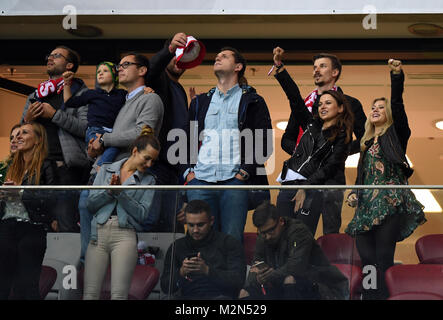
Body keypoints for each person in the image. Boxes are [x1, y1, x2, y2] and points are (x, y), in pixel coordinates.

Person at [345, 59, 426, 300]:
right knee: (367, 259)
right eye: (373, 107)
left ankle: (382, 297)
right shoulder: (365, 143)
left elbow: (398, 106)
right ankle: (371, 296)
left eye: (381, 107)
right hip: (366, 207)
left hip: (389, 203)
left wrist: (396, 75)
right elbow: (363, 174)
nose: (376, 109)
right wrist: (353, 192)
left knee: (382, 258)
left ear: (388, 113)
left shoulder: (396, 134)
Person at [78, 52, 164, 265]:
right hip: (108, 169)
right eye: (118, 65)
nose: (119, 69)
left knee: (119, 226)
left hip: (126, 174)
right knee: (86, 207)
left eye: (126, 64)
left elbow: (143, 134)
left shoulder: (150, 98)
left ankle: (91, 266)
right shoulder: (124, 101)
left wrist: (105, 139)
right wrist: (96, 148)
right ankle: (91, 266)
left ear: (142, 71)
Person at [182, 47, 273, 242]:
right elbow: (186, 140)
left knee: (231, 240)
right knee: (199, 240)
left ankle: (232, 275)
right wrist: (189, 173)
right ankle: (199, 274)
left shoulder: (253, 101)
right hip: (200, 181)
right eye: (217, 56)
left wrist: (244, 173)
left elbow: (264, 142)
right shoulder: (200, 102)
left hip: (235, 181)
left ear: (238, 67)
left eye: (224, 56)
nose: (218, 57)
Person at [273, 47, 367, 235]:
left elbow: (366, 140)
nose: (316, 70)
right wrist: (308, 153)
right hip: (298, 177)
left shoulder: (350, 104)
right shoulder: (307, 106)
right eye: (314, 66)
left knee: (330, 233)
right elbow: (288, 135)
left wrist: (336, 152)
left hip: (330, 180)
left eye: (322, 66)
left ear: (335, 72)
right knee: (291, 232)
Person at [83, 126, 161, 300]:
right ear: (134, 151)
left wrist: (121, 194)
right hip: (98, 233)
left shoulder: (149, 180)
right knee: (89, 294)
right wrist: (109, 192)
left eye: (153, 161)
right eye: (147, 158)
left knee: (119, 295)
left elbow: (142, 214)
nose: (149, 165)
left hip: (125, 235)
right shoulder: (106, 169)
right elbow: (90, 204)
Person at [21, 45, 90, 232]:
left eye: (56, 56)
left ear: (69, 66)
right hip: (37, 166)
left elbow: (85, 129)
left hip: (65, 168)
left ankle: (69, 262)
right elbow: (20, 132)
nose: (50, 59)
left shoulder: (82, 94)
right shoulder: (35, 95)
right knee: (35, 223)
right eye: (49, 55)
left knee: (66, 222)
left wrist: (54, 115)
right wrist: (27, 121)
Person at [239, 202, 349, 300]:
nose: (267, 236)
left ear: (281, 221)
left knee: (290, 279)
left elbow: (295, 267)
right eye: (263, 233)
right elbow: (256, 266)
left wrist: (267, 276)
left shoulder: (298, 232)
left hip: (322, 286)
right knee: (245, 292)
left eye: (271, 231)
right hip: (282, 283)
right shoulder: (263, 236)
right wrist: (256, 279)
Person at [0, 122, 58, 299]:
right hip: (6, 227)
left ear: (38, 140)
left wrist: (21, 193)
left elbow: (52, 198)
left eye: (24, 133)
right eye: (17, 134)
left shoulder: (47, 165)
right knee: (2, 284)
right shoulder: (11, 167)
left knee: (26, 285)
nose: (18, 137)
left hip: (32, 228)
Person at [145, 32, 190, 233]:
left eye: (184, 57)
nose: (180, 60)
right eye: (176, 55)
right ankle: (143, 265)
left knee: (173, 228)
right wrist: (169, 49)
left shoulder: (179, 89)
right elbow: (152, 69)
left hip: (175, 170)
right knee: (149, 223)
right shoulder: (159, 80)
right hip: (155, 165)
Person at [161, 199, 246, 299]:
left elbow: (238, 281)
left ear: (211, 221)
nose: (195, 230)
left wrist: (207, 271)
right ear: (186, 223)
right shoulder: (177, 246)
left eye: (200, 225)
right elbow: (165, 287)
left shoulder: (228, 243)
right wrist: (181, 272)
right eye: (191, 225)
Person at [63, 61, 126, 170]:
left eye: (105, 71)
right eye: (98, 72)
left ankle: (97, 172)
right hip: (95, 130)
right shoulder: (91, 93)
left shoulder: (122, 94)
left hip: (112, 132)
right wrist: (67, 84)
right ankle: (99, 171)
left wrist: (145, 89)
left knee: (114, 148)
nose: (100, 73)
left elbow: (136, 96)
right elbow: (69, 102)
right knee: (100, 149)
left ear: (115, 75)